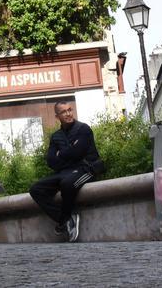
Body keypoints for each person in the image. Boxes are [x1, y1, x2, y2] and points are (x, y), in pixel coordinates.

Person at [28, 101, 103, 242]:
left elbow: (77, 153)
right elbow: (51, 161)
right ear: (57, 116)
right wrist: (67, 154)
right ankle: (66, 219)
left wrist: (61, 154)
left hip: (86, 169)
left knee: (67, 184)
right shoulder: (56, 136)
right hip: (64, 172)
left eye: (69, 110)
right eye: (64, 112)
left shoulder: (83, 129)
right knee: (36, 189)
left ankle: (65, 219)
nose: (68, 114)